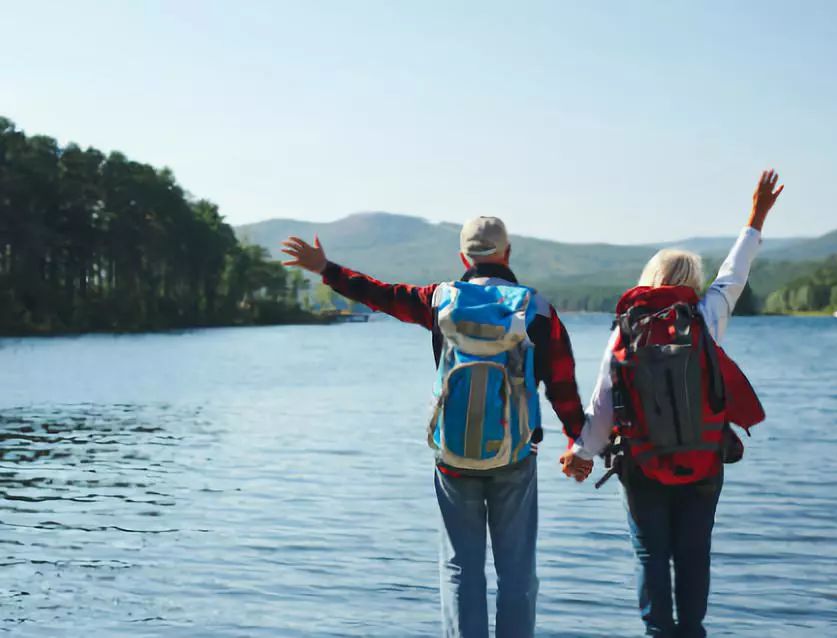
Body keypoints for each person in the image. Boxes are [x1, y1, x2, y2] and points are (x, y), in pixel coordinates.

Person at [281, 217, 585, 638]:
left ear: (463, 257)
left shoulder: (439, 299)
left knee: (461, 567)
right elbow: (563, 386)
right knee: (517, 572)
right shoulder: (537, 309)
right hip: (516, 456)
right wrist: (579, 441)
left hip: (453, 456)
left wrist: (326, 269)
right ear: (507, 253)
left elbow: (380, 295)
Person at [560, 170, 784, 637]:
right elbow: (735, 272)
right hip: (702, 461)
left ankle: (658, 633)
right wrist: (756, 216)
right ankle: (693, 632)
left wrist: (581, 455)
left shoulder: (628, 327)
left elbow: (604, 399)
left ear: (650, 279)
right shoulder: (705, 316)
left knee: (651, 555)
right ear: (693, 281)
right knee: (694, 551)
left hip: (641, 463)